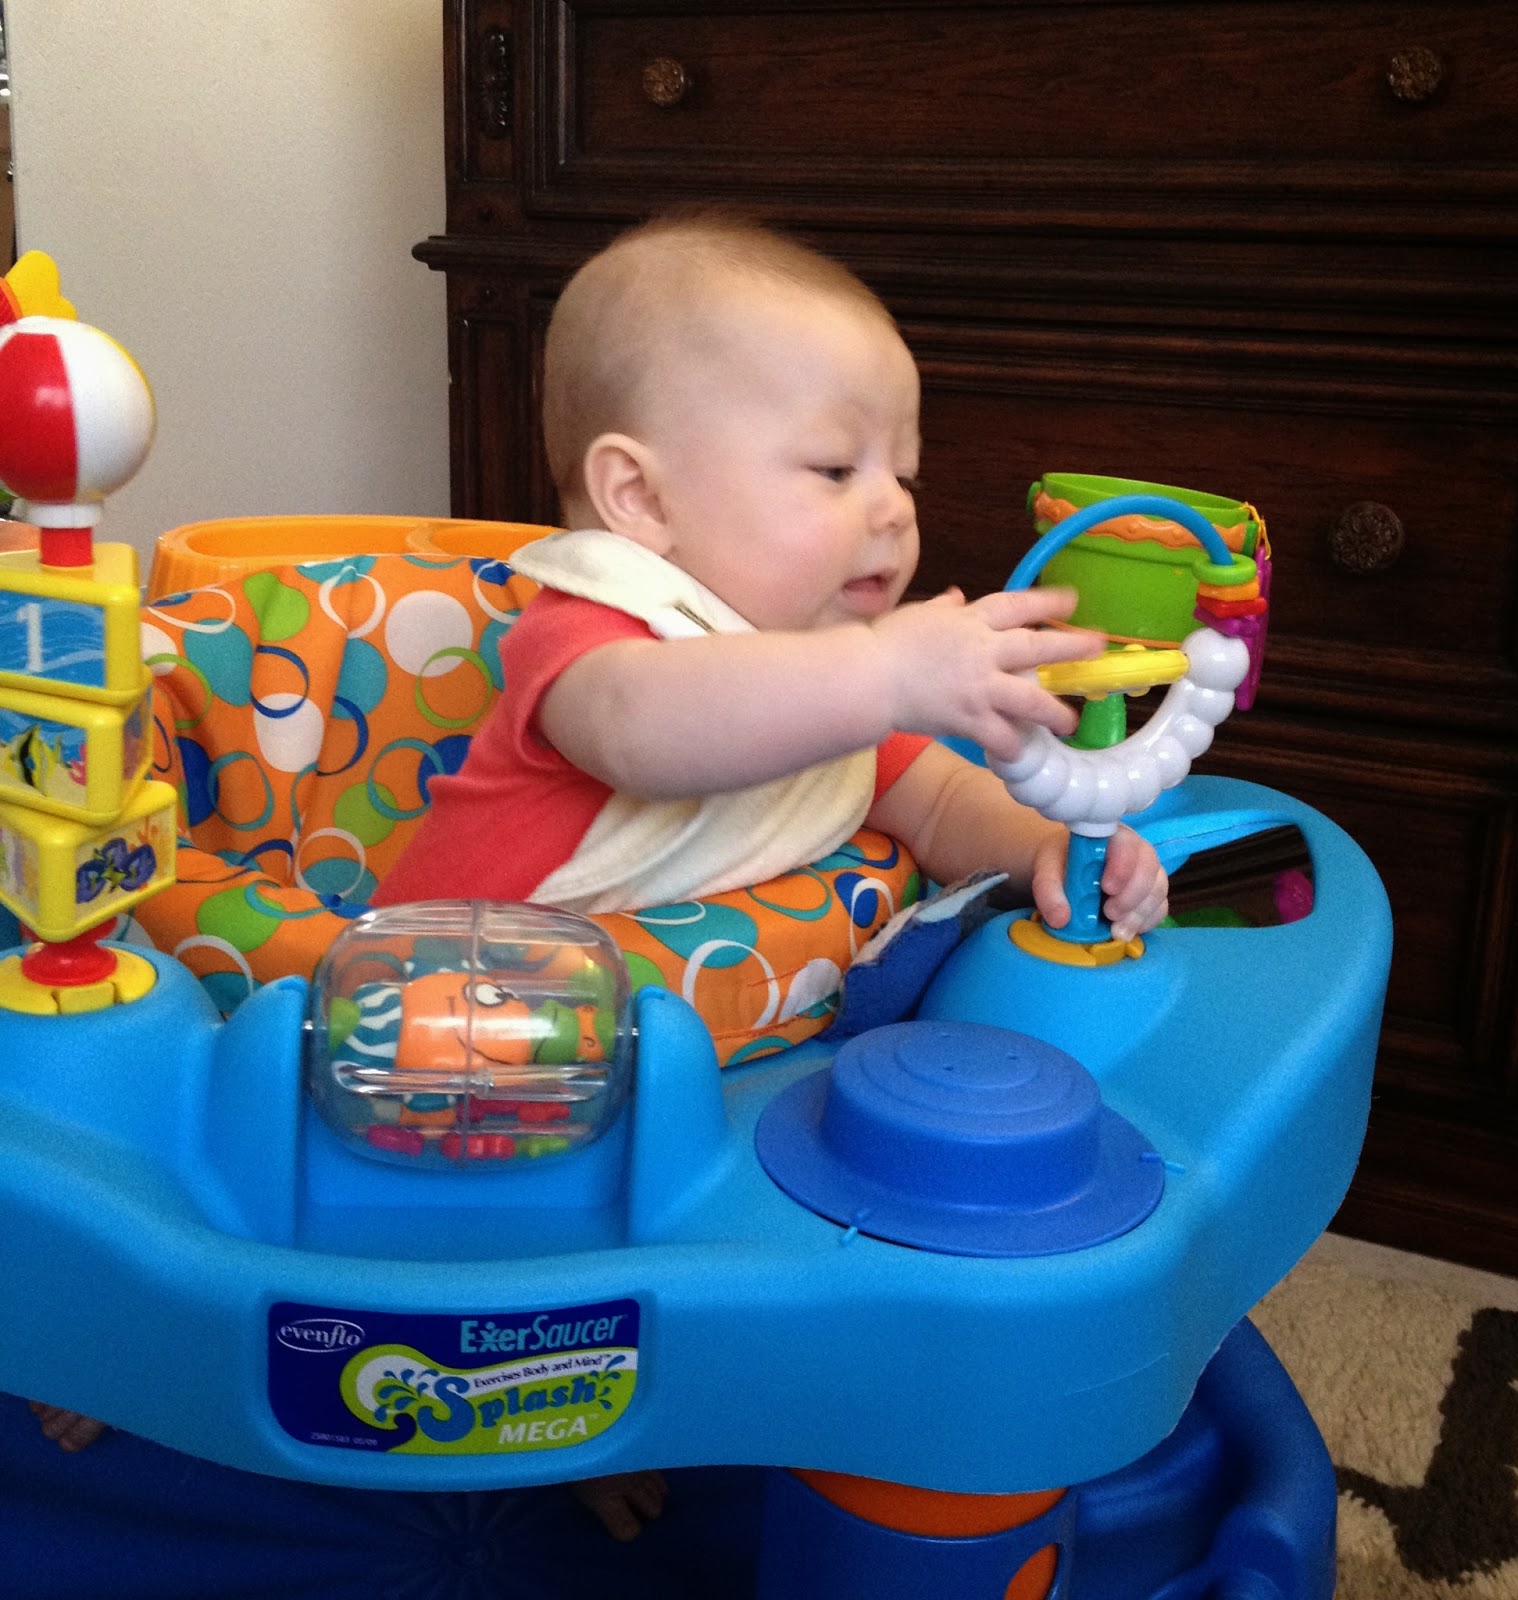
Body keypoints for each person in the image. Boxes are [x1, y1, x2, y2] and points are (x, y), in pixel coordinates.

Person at [369, 215, 1168, 1541]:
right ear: (641, 502)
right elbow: (649, 730)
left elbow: (928, 794)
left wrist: (1037, 844)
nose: (893, 507)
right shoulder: (601, 637)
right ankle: (532, 1419)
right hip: (448, 1050)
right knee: (471, 1253)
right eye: (836, 466)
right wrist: (884, 672)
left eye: (904, 471)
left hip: (682, 1068)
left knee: (697, 1238)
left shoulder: (821, 666)